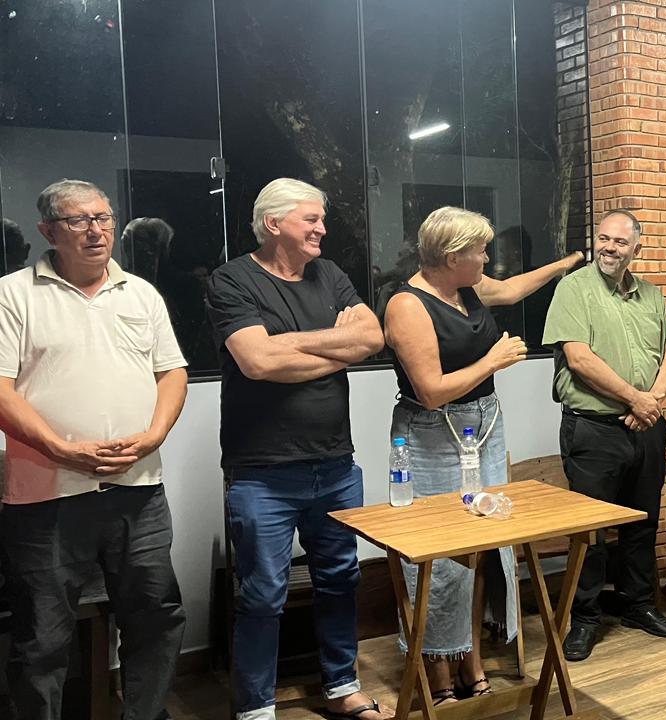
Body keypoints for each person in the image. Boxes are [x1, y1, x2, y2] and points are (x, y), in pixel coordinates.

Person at [0, 179, 187, 720]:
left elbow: (172, 372)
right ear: (48, 231)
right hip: (47, 497)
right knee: (42, 639)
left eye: (103, 218)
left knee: (155, 617)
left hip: (139, 490)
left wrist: (154, 436)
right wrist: (60, 448)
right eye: (78, 220)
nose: (96, 230)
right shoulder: (13, 294)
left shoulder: (141, 293)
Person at [206, 178, 391, 720]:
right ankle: (256, 707)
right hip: (262, 472)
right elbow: (258, 362)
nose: (322, 229)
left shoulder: (328, 274)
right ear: (273, 223)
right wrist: (335, 346)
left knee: (340, 580)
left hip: (335, 465)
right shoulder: (232, 279)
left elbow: (372, 338)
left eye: (321, 219)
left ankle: (341, 686)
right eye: (311, 219)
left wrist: (289, 343)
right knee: (263, 593)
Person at [382, 207, 583, 704]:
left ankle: (469, 656)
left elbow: (512, 289)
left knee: (482, 544)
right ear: (453, 257)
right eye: (480, 251)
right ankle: (437, 669)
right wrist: (492, 360)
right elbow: (431, 391)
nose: (488, 259)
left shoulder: (467, 287)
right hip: (431, 435)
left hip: (483, 426)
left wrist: (566, 263)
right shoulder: (407, 305)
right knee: (440, 550)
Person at [543, 208, 666, 659]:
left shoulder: (653, 296)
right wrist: (634, 399)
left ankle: (638, 605)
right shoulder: (574, 289)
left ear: (635, 249)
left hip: (646, 427)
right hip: (594, 430)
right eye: (604, 238)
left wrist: (651, 402)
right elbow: (579, 359)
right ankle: (584, 618)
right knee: (591, 530)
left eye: (620, 242)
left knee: (643, 521)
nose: (609, 247)